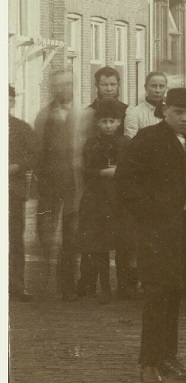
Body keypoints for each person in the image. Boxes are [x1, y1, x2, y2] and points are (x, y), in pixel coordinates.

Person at [115, 87, 186, 383]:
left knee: (174, 292)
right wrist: (150, 214)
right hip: (155, 231)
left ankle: (168, 357)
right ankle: (148, 363)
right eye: (178, 112)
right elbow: (125, 182)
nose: (184, 119)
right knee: (156, 294)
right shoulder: (148, 139)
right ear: (165, 111)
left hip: (182, 232)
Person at [34, 69, 87, 301]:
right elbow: (36, 153)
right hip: (50, 184)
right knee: (45, 235)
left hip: (76, 184)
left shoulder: (84, 114)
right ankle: (43, 285)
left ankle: (67, 285)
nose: (63, 89)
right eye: (58, 85)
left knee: (72, 236)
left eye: (67, 84)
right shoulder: (44, 116)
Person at [77, 99, 131, 304]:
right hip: (98, 198)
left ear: (119, 122)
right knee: (99, 243)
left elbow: (132, 169)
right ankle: (103, 286)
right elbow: (86, 170)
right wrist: (104, 172)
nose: (108, 125)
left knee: (123, 242)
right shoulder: (92, 143)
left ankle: (124, 286)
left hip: (120, 198)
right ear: (97, 123)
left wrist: (119, 172)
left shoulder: (126, 142)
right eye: (104, 121)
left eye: (112, 121)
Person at [9, 85, 39, 302]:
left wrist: (19, 165)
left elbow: (34, 155)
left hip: (13, 192)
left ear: (12, 102)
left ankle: (17, 286)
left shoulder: (21, 128)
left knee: (14, 240)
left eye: (8, 100)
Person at [87, 66, 129, 136]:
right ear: (96, 86)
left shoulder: (127, 111)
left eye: (113, 84)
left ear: (119, 85)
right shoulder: (88, 113)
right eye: (104, 85)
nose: (109, 89)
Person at [125, 71, 168, 138]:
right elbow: (131, 141)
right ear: (145, 87)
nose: (158, 90)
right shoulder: (134, 113)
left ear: (166, 88)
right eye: (154, 86)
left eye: (161, 86)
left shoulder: (170, 112)